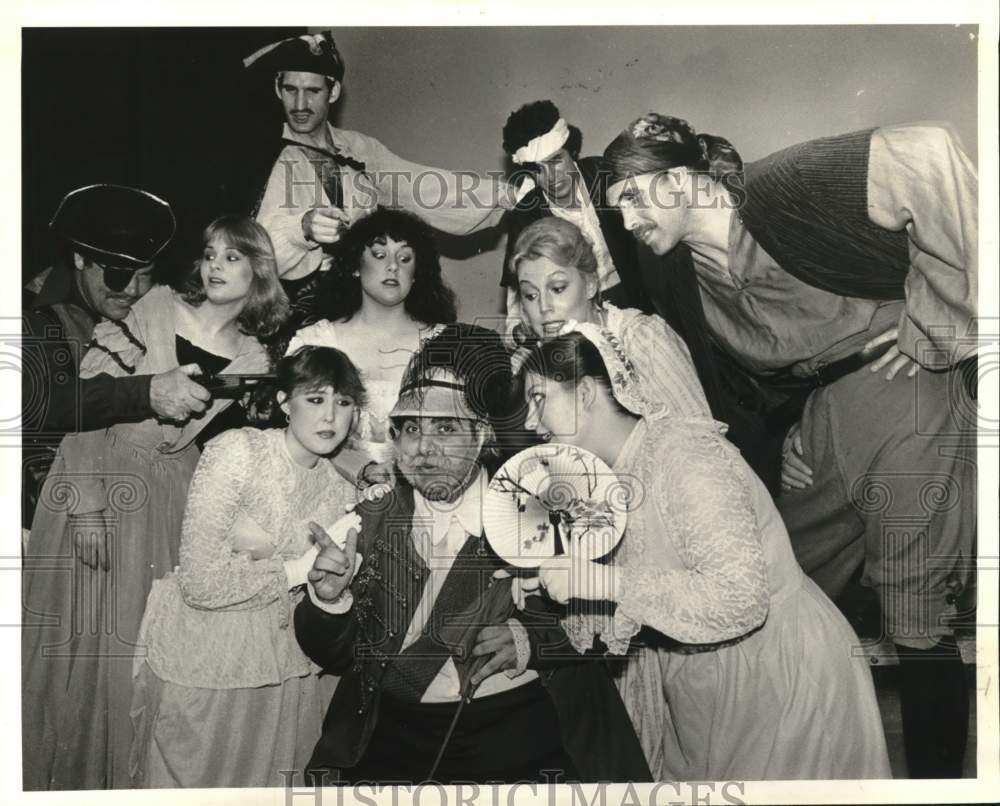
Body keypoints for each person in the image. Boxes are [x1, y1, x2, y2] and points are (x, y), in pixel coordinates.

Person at [603, 113, 977, 777]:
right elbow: (738, 383)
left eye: (634, 195)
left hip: (910, 391)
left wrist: (935, 327)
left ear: (683, 176)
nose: (628, 220)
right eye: (617, 207)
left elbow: (928, 153)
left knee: (916, 613)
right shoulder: (679, 276)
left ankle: (936, 784)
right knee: (779, 587)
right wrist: (792, 429)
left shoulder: (780, 189)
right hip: (825, 416)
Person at [517, 330, 892, 780]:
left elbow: (739, 597)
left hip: (781, 677)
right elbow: (640, 597)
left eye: (538, 398)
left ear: (584, 393)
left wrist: (600, 581)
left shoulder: (685, 456)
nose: (530, 422)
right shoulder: (611, 476)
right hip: (703, 687)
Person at [293, 323, 651, 784]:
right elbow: (335, 656)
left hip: (517, 733)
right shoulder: (373, 518)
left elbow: (606, 623)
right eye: (411, 428)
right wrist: (328, 601)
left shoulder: (541, 506)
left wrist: (529, 638)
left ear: (482, 434)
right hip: (391, 739)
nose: (424, 449)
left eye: (446, 427)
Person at [21, 215, 286, 790]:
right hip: (101, 478)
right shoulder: (155, 308)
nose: (214, 266)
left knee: (140, 659)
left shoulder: (257, 360)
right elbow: (84, 404)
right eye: (210, 254)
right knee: (83, 653)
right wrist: (85, 500)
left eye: (232, 257)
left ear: (261, 273)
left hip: (173, 505)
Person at [130, 346, 369, 788]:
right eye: (315, 399)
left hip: (284, 673)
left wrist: (329, 584)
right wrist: (294, 572)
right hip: (207, 662)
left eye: (344, 402)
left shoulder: (342, 490)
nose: (330, 416)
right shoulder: (238, 450)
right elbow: (199, 582)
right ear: (284, 402)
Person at [245, 32, 513, 334]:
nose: (300, 104)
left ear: (333, 92)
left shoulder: (358, 149)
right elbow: (255, 256)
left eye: (313, 91)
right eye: (290, 90)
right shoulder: (266, 155)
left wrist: (506, 195)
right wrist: (303, 228)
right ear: (277, 89)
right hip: (297, 318)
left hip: (362, 305)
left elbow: (418, 186)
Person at [21, 184, 212, 527]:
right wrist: (146, 392)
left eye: (145, 276)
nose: (133, 291)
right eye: (119, 275)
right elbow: (40, 401)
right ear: (79, 259)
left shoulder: (155, 308)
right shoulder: (33, 318)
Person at [286, 208, 456, 488]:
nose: (393, 267)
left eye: (405, 258)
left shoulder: (444, 344)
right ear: (355, 265)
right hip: (326, 489)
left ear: (416, 274)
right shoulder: (315, 341)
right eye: (379, 255)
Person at [509, 216, 721, 429]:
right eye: (530, 295)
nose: (544, 307)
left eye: (557, 288)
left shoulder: (643, 340)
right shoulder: (535, 367)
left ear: (590, 284)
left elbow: (700, 436)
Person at [500, 101, 649, 339]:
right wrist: (517, 333)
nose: (550, 176)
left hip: (639, 297)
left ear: (572, 153)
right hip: (573, 315)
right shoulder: (525, 215)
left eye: (556, 160)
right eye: (538, 169)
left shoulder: (606, 177)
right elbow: (519, 294)